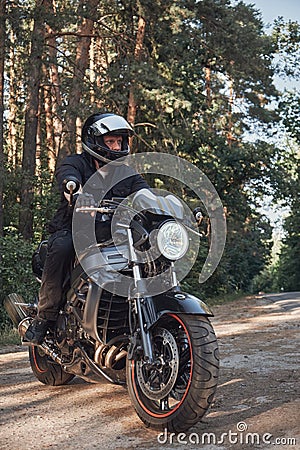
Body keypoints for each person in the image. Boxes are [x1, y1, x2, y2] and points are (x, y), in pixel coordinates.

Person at [25, 112, 149, 344]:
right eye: (110, 141)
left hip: (112, 233)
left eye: (119, 141)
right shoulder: (75, 163)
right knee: (62, 247)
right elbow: (67, 177)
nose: (116, 146)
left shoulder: (126, 173)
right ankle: (45, 316)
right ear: (95, 142)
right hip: (75, 229)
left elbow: (145, 193)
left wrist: (163, 207)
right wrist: (75, 190)